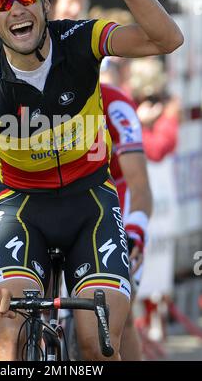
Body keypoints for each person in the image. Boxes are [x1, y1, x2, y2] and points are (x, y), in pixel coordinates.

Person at [0, 0, 183, 361]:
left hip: (91, 203)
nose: (17, 9)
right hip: (22, 209)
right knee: (12, 336)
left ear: (45, 0)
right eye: (2, 2)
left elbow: (168, 38)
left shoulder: (80, 39)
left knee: (96, 343)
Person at [101, 82, 152, 360]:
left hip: (118, 202)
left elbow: (140, 186)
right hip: (63, 207)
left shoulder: (115, 103)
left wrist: (135, 230)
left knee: (121, 314)